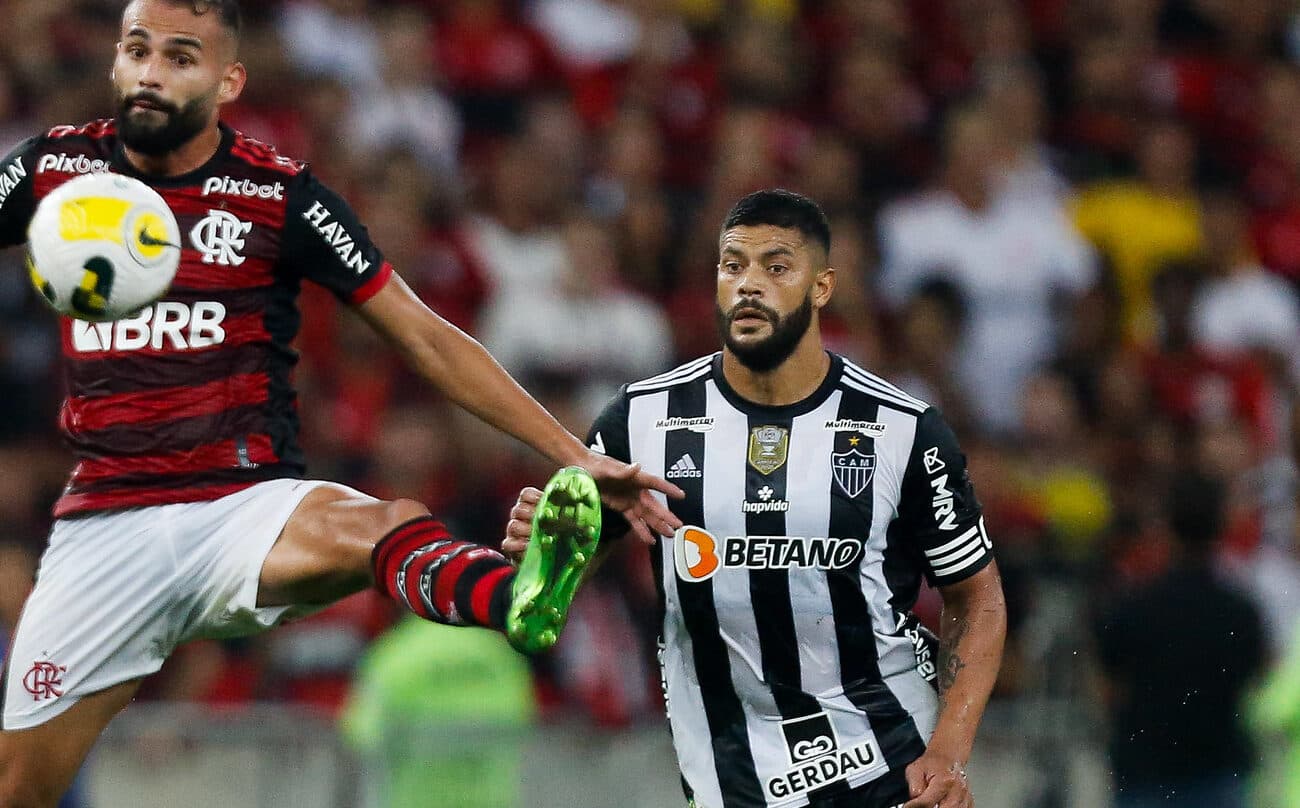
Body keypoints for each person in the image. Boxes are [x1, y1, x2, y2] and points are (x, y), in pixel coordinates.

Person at [0, 2, 682, 806]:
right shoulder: (54, 169)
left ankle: (518, 593)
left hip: (240, 507)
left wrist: (576, 454)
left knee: (382, 522)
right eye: (137, 50)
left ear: (228, 80)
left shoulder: (277, 194)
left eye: (180, 57)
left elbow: (425, 336)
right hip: (104, 527)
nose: (151, 72)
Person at [507, 190, 1008, 808]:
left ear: (822, 287)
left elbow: (976, 596)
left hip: (890, 760)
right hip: (732, 774)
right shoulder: (641, 421)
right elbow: (566, 575)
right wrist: (542, 557)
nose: (748, 285)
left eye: (775, 267)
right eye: (732, 265)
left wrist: (949, 753)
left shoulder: (904, 428)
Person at [1094, 471, 1266, 808]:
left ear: (1166, 528)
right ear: (1220, 527)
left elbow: (1108, 685)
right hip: (1218, 772)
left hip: (1145, 776)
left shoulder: (1133, 607)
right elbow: (1255, 683)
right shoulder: (1241, 611)